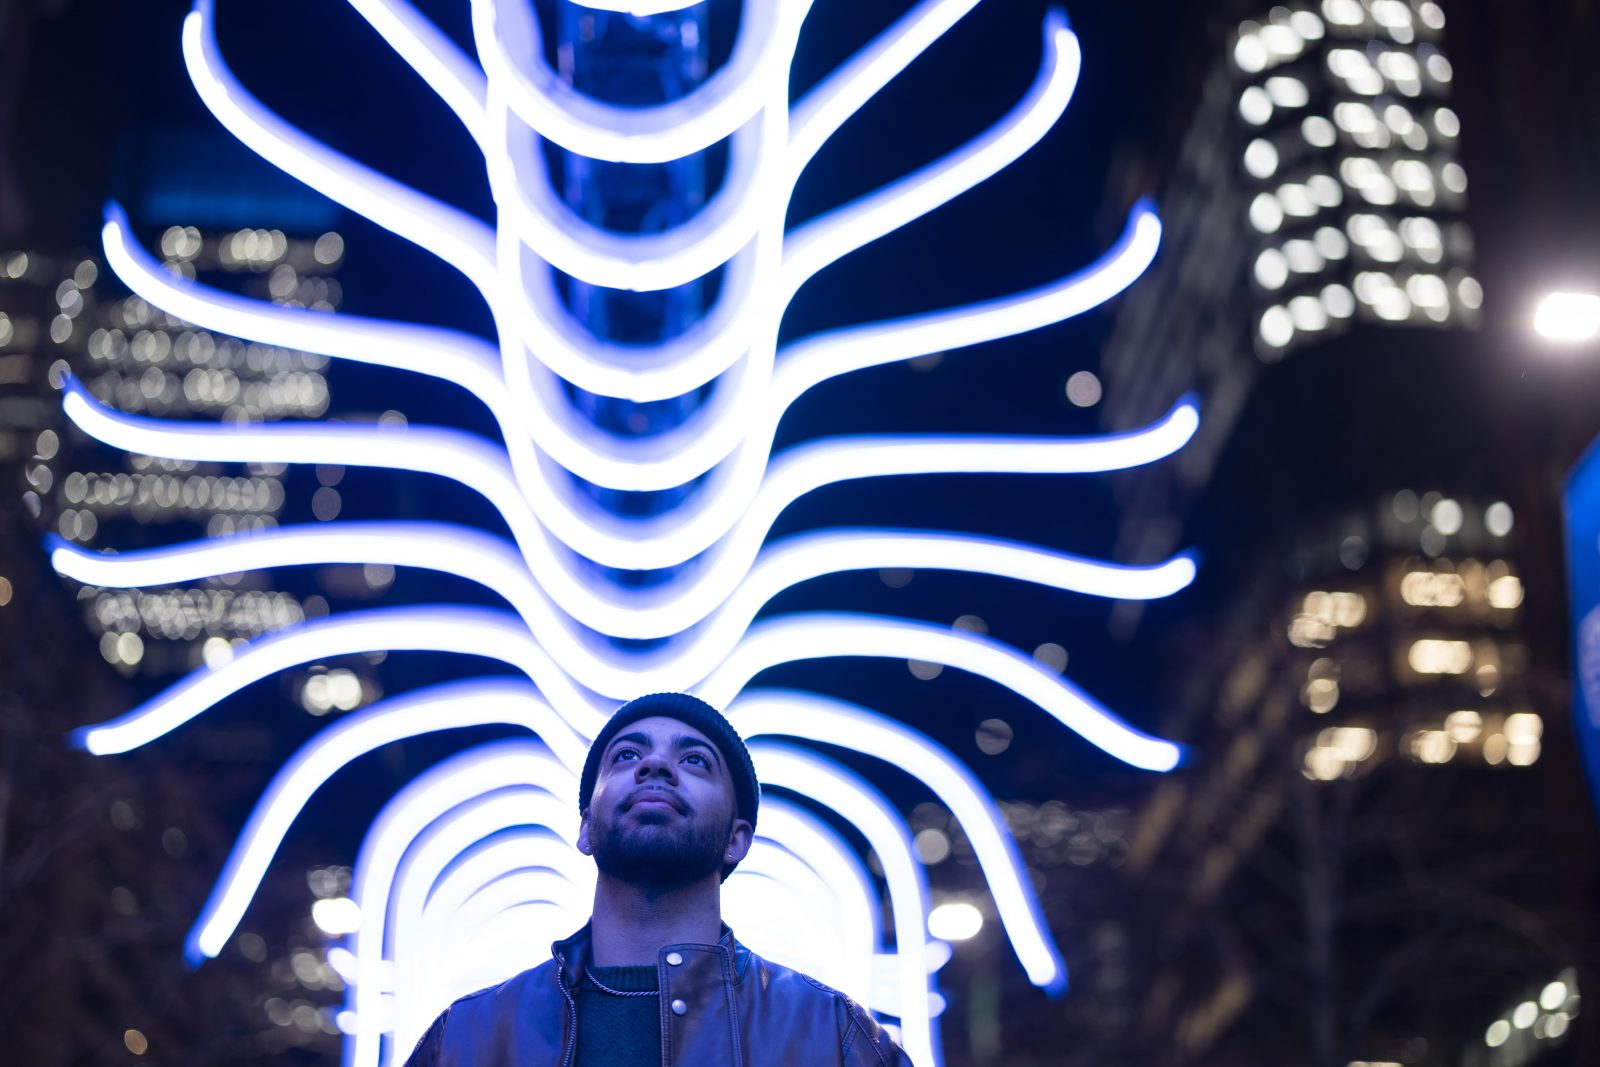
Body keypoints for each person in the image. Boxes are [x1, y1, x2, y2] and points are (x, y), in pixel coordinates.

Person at [404, 691, 911, 1066]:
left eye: (694, 760)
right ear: (585, 828)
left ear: (737, 840)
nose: (654, 765)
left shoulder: (831, 1035)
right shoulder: (466, 1038)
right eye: (626, 755)